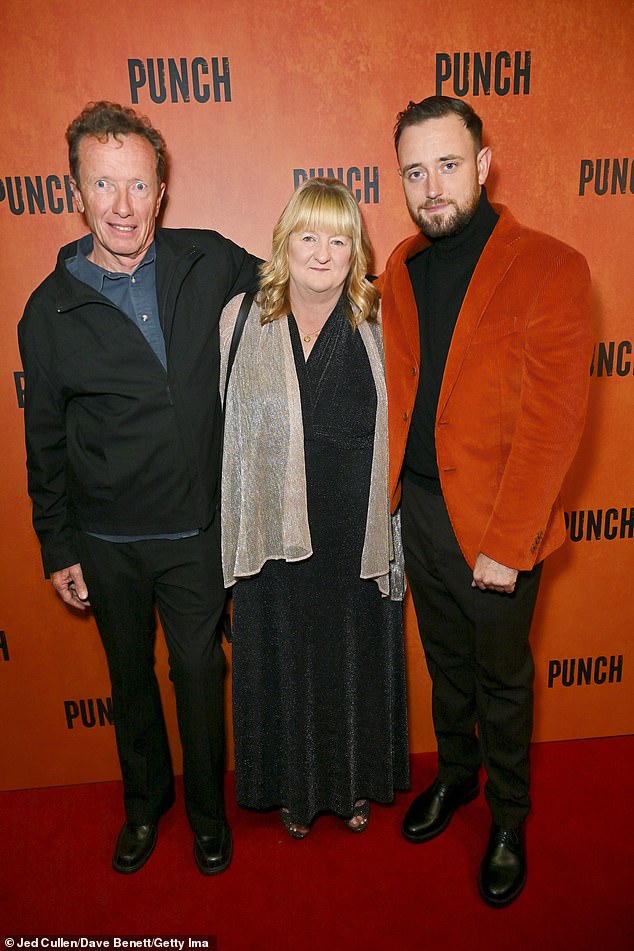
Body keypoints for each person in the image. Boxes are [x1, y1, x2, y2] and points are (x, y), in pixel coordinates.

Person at [18, 101, 260, 875]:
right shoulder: (47, 310)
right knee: (130, 682)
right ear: (76, 192)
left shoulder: (210, 258)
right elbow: (44, 440)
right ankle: (143, 803)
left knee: (197, 674)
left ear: (161, 190)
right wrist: (58, 543)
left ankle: (206, 813)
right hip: (107, 541)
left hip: (195, 532)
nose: (123, 206)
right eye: (104, 185)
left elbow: (291, 291)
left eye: (138, 186)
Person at [377, 96, 592, 906]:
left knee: (501, 681)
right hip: (421, 514)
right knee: (445, 667)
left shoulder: (552, 266)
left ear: (485, 164)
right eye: (415, 171)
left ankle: (508, 817)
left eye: (448, 164)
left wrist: (510, 540)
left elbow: (553, 422)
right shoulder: (399, 265)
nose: (432, 186)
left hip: (500, 522)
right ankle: (457, 779)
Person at [219, 178, 409, 838]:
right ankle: (291, 793)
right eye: (308, 236)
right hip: (276, 531)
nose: (323, 252)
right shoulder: (242, 318)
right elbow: (228, 437)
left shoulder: (382, 322)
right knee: (286, 659)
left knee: (347, 667)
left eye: (338, 238)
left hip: (353, 532)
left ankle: (352, 787)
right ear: (283, 243)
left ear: (356, 249)